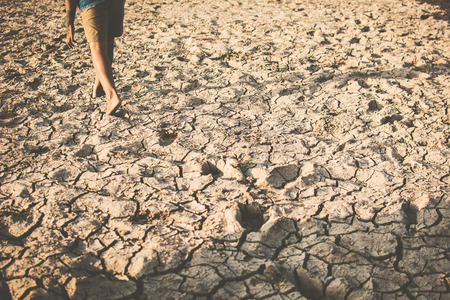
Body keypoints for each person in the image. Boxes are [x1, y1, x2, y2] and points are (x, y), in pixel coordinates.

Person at [65, 0, 125, 115]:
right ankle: (99, 87)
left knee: (97, 48)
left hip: (92, 3)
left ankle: (112, 96)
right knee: (108, 41)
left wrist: (70, 23)